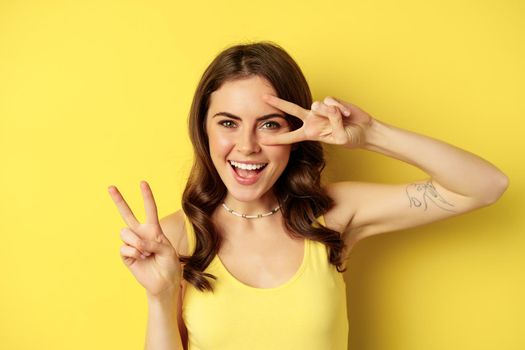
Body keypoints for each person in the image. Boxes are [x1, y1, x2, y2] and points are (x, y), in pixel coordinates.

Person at [107, 41, 509, 350]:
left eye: (269, 124)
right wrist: (160, 298)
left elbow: (485, 185)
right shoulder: (176, 237)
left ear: (299, 132)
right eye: (228, 123)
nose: (247, 146)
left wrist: (372, 136)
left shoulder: (330, 216)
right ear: (205, 130)